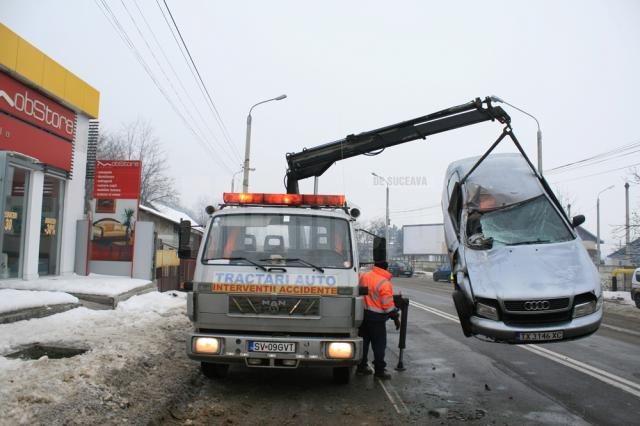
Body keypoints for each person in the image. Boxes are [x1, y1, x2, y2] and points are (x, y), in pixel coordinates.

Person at [356, 261, 400, 379]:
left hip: (363, 316)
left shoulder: (364, 276)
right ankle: (379, 371)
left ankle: (361, 367)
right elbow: (388, 305)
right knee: (379, 345)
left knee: (364, 343)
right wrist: (395, 318)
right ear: (386, 268)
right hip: (377, 319)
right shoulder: (384, 283)